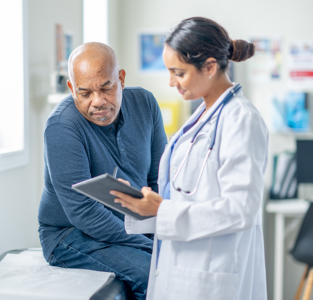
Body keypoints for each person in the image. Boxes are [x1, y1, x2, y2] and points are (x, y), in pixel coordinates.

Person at [111, 17, 268, 300]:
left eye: (178, 73)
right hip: (180, 266)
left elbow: (240, 209)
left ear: (209, 67)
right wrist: (145, 208)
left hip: (213, 275)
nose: (171, 82)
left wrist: (163, 211)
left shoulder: (242, 120)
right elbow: (186, 197)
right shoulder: (201, 117)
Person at [38, 42, 167, 300]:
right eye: (85, 93)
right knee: (154, 274)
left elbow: (159, 179)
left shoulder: (145, 104)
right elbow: (83, 212)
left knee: (177, 265)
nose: (98, 102)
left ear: (121, 79)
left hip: (132, 224)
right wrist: (149, 245)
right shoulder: (62, 127)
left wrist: (163, 233)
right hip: (70, 235)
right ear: (72, 89)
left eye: (106, 88)